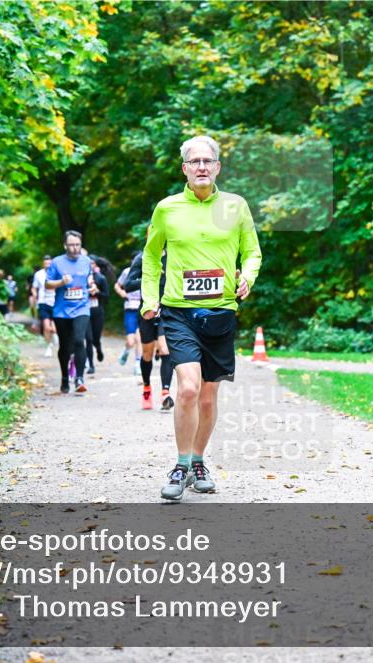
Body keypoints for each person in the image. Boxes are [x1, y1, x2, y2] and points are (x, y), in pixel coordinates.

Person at [141, 135, 262, 501]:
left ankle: (198, 461)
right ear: (185, 168)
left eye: (208, 161)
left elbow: (252, 252)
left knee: (208, 399)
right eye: (194, 161)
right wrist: (150, 299)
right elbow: (151, 256)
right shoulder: (167, 209)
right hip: (178, 311)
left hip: (221, 312)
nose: (202, 167)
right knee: (189, 388)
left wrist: (247, 276)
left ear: (218, 167)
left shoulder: (236, 206)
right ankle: (180, 466)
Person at [45, 231, 99, 394]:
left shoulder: (86, 261)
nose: (75, 248)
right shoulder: (57, 262)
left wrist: (92, 286)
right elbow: (47, 284)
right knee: (65, 347)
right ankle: (64, 377)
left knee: (79, 340)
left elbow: (89, 279)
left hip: (82, 307)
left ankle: (79, 378)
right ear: (65, 246)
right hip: (61, 311)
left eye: (77, 245)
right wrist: (61, 282)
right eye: (71, 245)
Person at [123, 249, 175, 410]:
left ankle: (165, 393)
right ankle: (146, 388)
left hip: (167, 310)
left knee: (165, 349)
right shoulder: (142, 258)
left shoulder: (174, 254)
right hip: (147, 311)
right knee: (147, 354)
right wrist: (149, 278)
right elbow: (127, 285)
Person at [113, 256, 142, 372]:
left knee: (139, 338)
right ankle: (126, 351)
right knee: (130, 341)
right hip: (130, 308)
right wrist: (121, 292)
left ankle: (137, 364)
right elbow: (117, 285)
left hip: (142, 309)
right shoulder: (127, 272)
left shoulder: (148, 270)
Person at [85, 257, 110, 374]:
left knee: (95, 339)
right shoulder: (82, 278)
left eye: (92, 263)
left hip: (97, 312)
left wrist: (97, 292)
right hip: (85, 312)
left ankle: (98, 348)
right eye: (88, 263)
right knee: (88, 339)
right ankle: (91, 365)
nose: (90, 265)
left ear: (95, 265)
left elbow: (107, 295)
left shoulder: (101, 278)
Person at [31, 255, 58, 357]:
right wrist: (34, 295)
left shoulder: (57, 273)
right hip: (43, 302)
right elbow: (34, 287)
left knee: (54, 328)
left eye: (49, 263)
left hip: (55, 302)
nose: (47, 265)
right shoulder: (38, 274)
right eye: (46, 263)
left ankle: (54, 333)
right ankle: (49, 346)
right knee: (46, 327)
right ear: (43, 264)